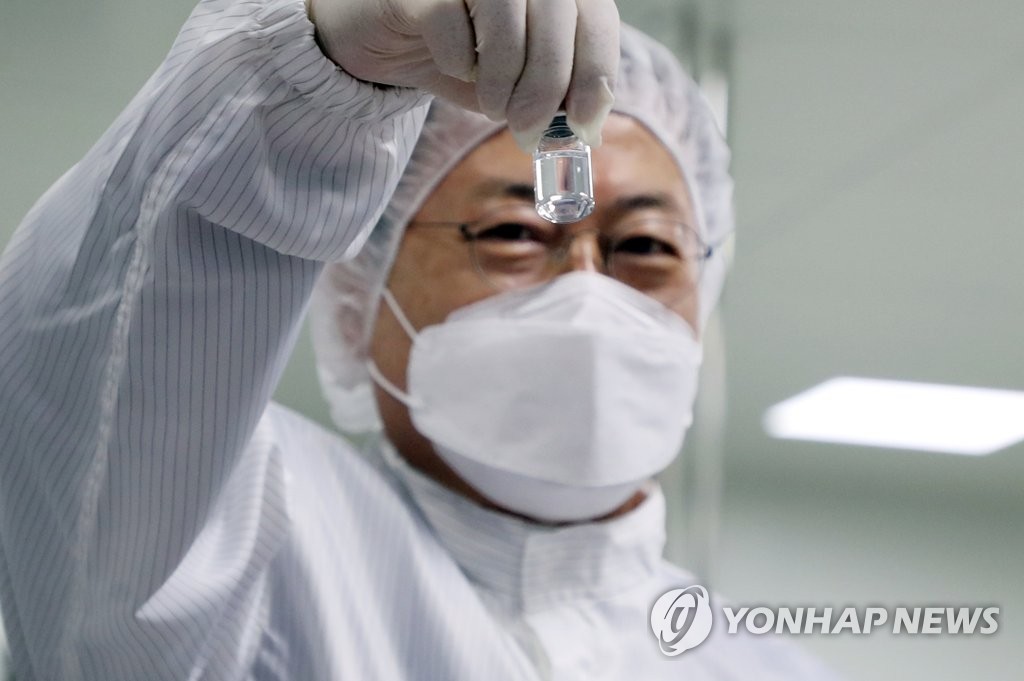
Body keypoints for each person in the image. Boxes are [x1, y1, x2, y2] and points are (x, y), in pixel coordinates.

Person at [0, 0, 836, 679]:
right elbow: (95, 400)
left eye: (646, 247)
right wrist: (308, 81)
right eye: (514, 232)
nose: (587, 289)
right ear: (357, 302)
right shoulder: (249, 534)